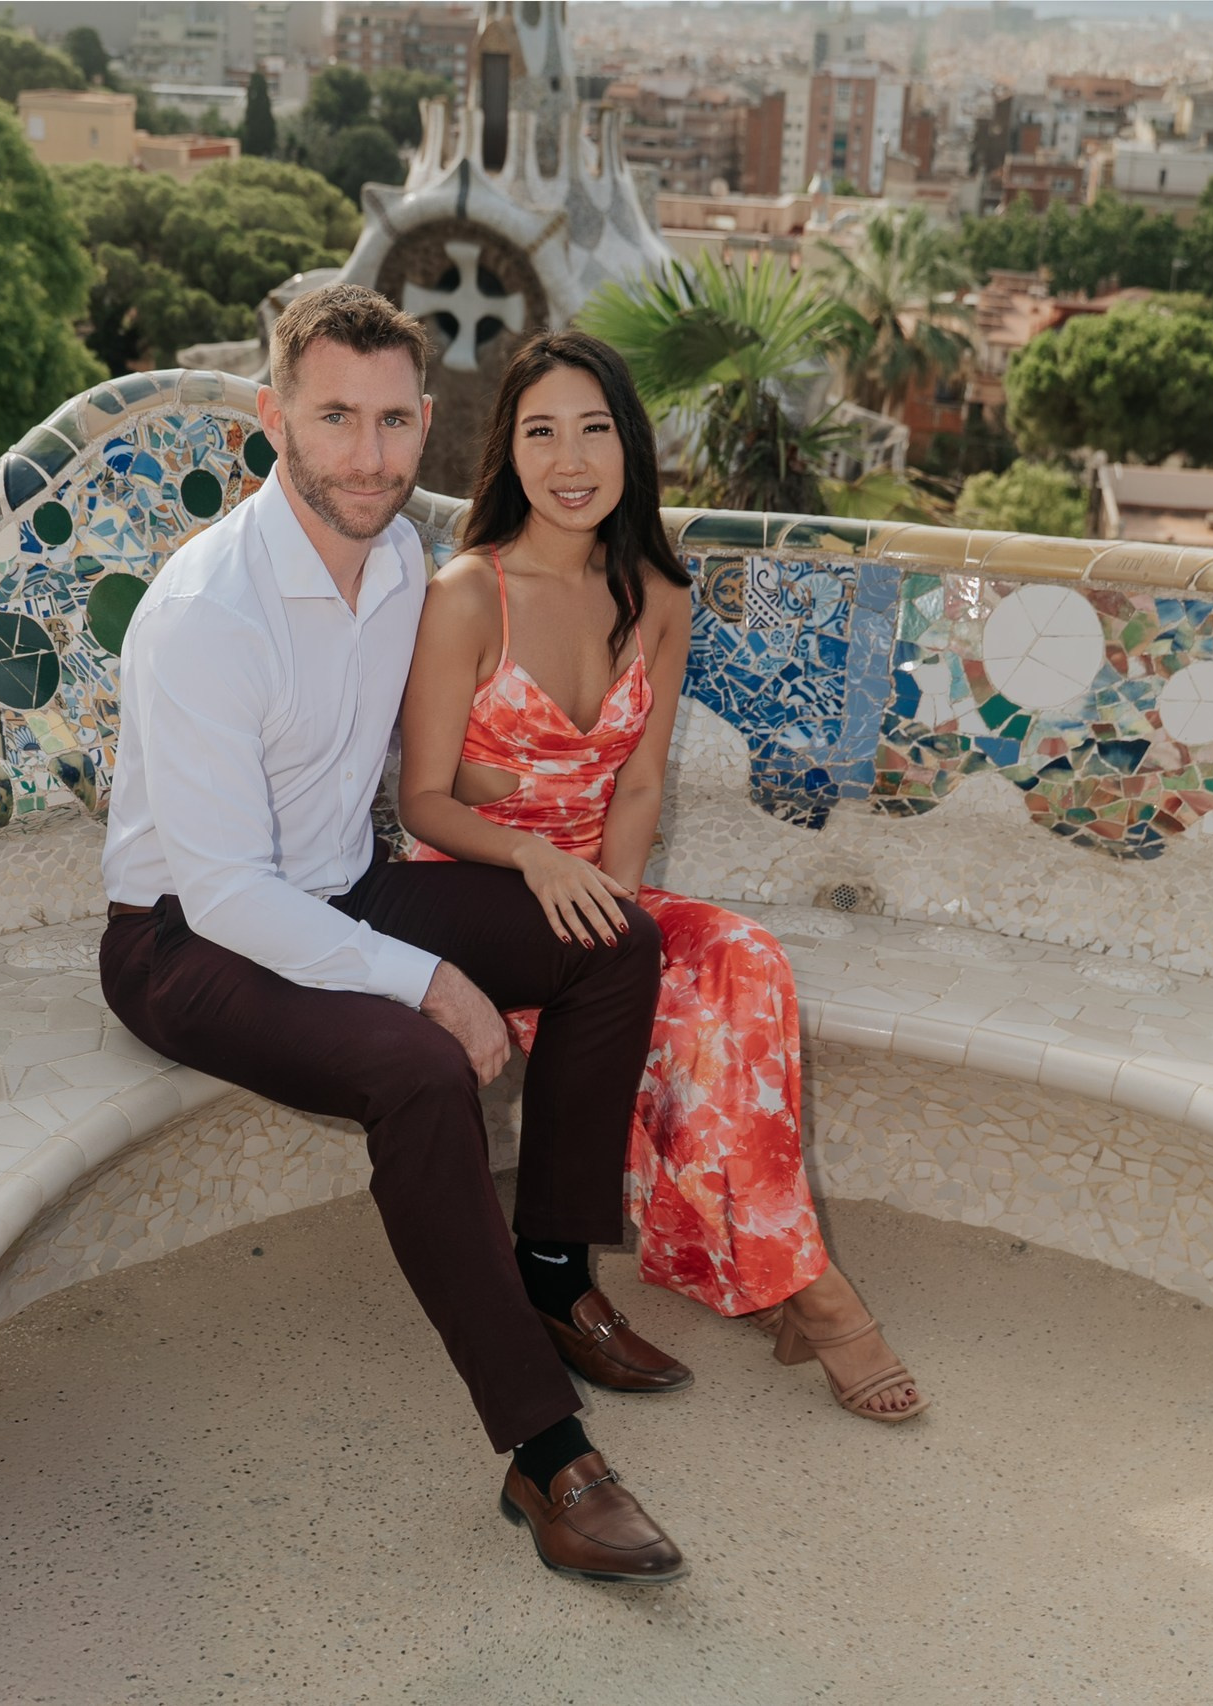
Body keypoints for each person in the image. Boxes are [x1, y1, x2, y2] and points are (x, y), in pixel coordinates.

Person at [99, 285, 690, 1582]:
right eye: (331, 418)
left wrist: (523, 828)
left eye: (389, 422)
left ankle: (549, 1264)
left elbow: (429, 772)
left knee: (611, 940)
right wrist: (429, 981)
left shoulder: (405, 565)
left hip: (342, 889)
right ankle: (546, 1456)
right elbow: (225, 892)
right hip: (182, 941)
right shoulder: (211, 613)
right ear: (273, 421)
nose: (365, 455)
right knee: (422, 1071)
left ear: (426, 424)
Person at [396, 329, 927, 1423]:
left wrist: (618, 914)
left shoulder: (655, 595)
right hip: (474, 896)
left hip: (596, 894)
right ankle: (816, 1298)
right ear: (510, 450)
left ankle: (769, 1272)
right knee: (683, 1003)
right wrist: (540, 856)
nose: (570, 456)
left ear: (630, 447)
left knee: (741, 962)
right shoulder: (466, 593)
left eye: (595, 428)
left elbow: (637, 789)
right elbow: (426, 802)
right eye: (541, 431)